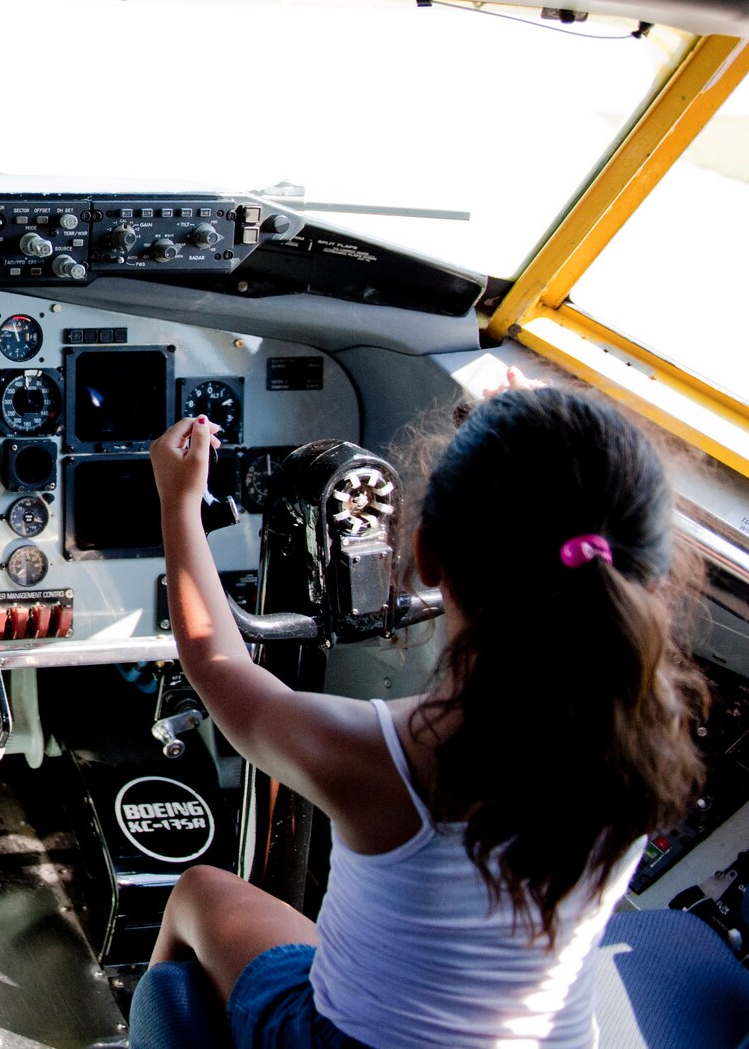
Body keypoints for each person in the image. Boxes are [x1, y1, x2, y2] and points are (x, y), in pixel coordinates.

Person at [146, 385, 704, 1047]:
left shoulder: (393, 756)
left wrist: (179, 502)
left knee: (200, 893)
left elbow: (218, 665)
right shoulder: (650, 741)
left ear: (427, 555)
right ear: (643, 572)